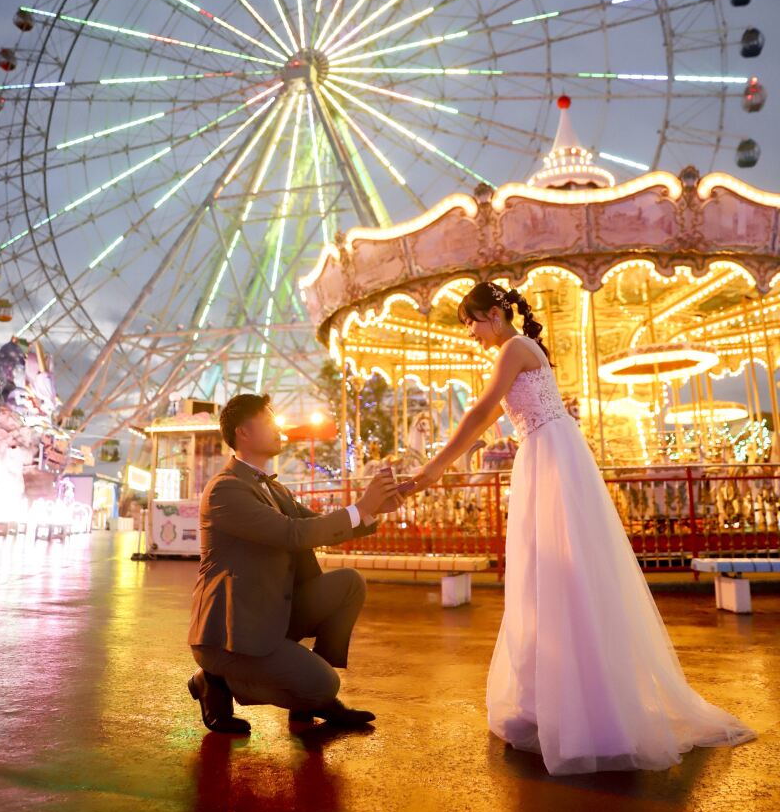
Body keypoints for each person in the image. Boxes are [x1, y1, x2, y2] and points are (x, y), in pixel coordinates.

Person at [405, 281, 757, 775]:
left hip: (550, 456)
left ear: (494, 315)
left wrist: (437, 466)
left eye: (471, 324)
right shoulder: (517, 348)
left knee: (560, 574)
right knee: (542, 573)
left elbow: (483, 411)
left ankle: (584, 710)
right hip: (544, 454)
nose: (472, 336)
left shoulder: (514, 347)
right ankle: (552, 702)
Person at [188, 393, 401, 734]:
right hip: (231, 633)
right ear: (244, 433)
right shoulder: (224, 490)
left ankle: (309, 698)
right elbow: (292, 534)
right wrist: (360, 507)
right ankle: (216, 682)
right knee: (324, 683)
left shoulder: (276, 490)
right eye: (270, 420)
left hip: (269, 610)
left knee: (349, 583)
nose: (279, 427)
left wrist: (374, 509)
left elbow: (318, 526)